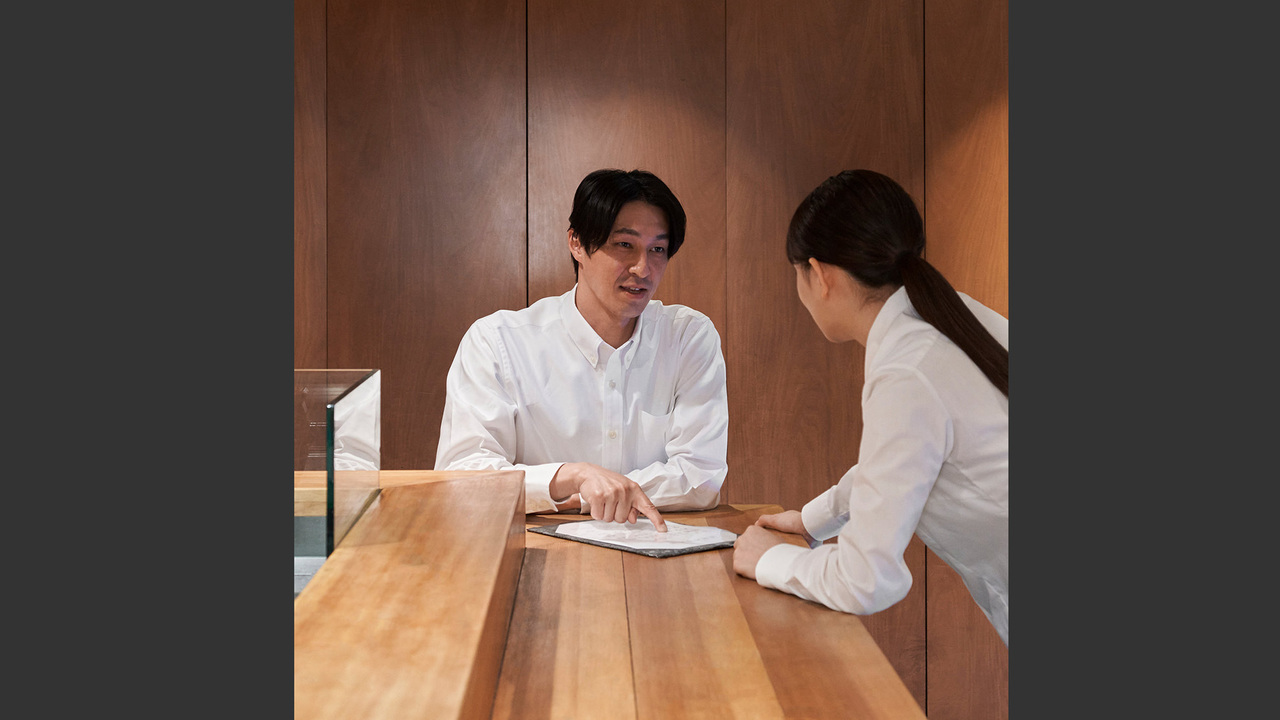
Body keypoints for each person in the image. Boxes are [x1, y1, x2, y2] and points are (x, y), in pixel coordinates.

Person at [732, 169, 1009, 646]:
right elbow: (907, 461)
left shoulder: (907, 371)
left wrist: (768, 560)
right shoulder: (953, 317)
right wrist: (813, 519)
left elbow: (865, 579)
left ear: (819, 275)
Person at [435, 168, 729, 530]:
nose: (643, 268)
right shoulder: (498, 341)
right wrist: (572, 477)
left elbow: (701, 477)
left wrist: (596, 495)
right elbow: (462, 475)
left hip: (657, 546)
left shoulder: (688, 338)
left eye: (658, 250)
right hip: (534, 547)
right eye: (625, 245)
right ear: (576, 242)